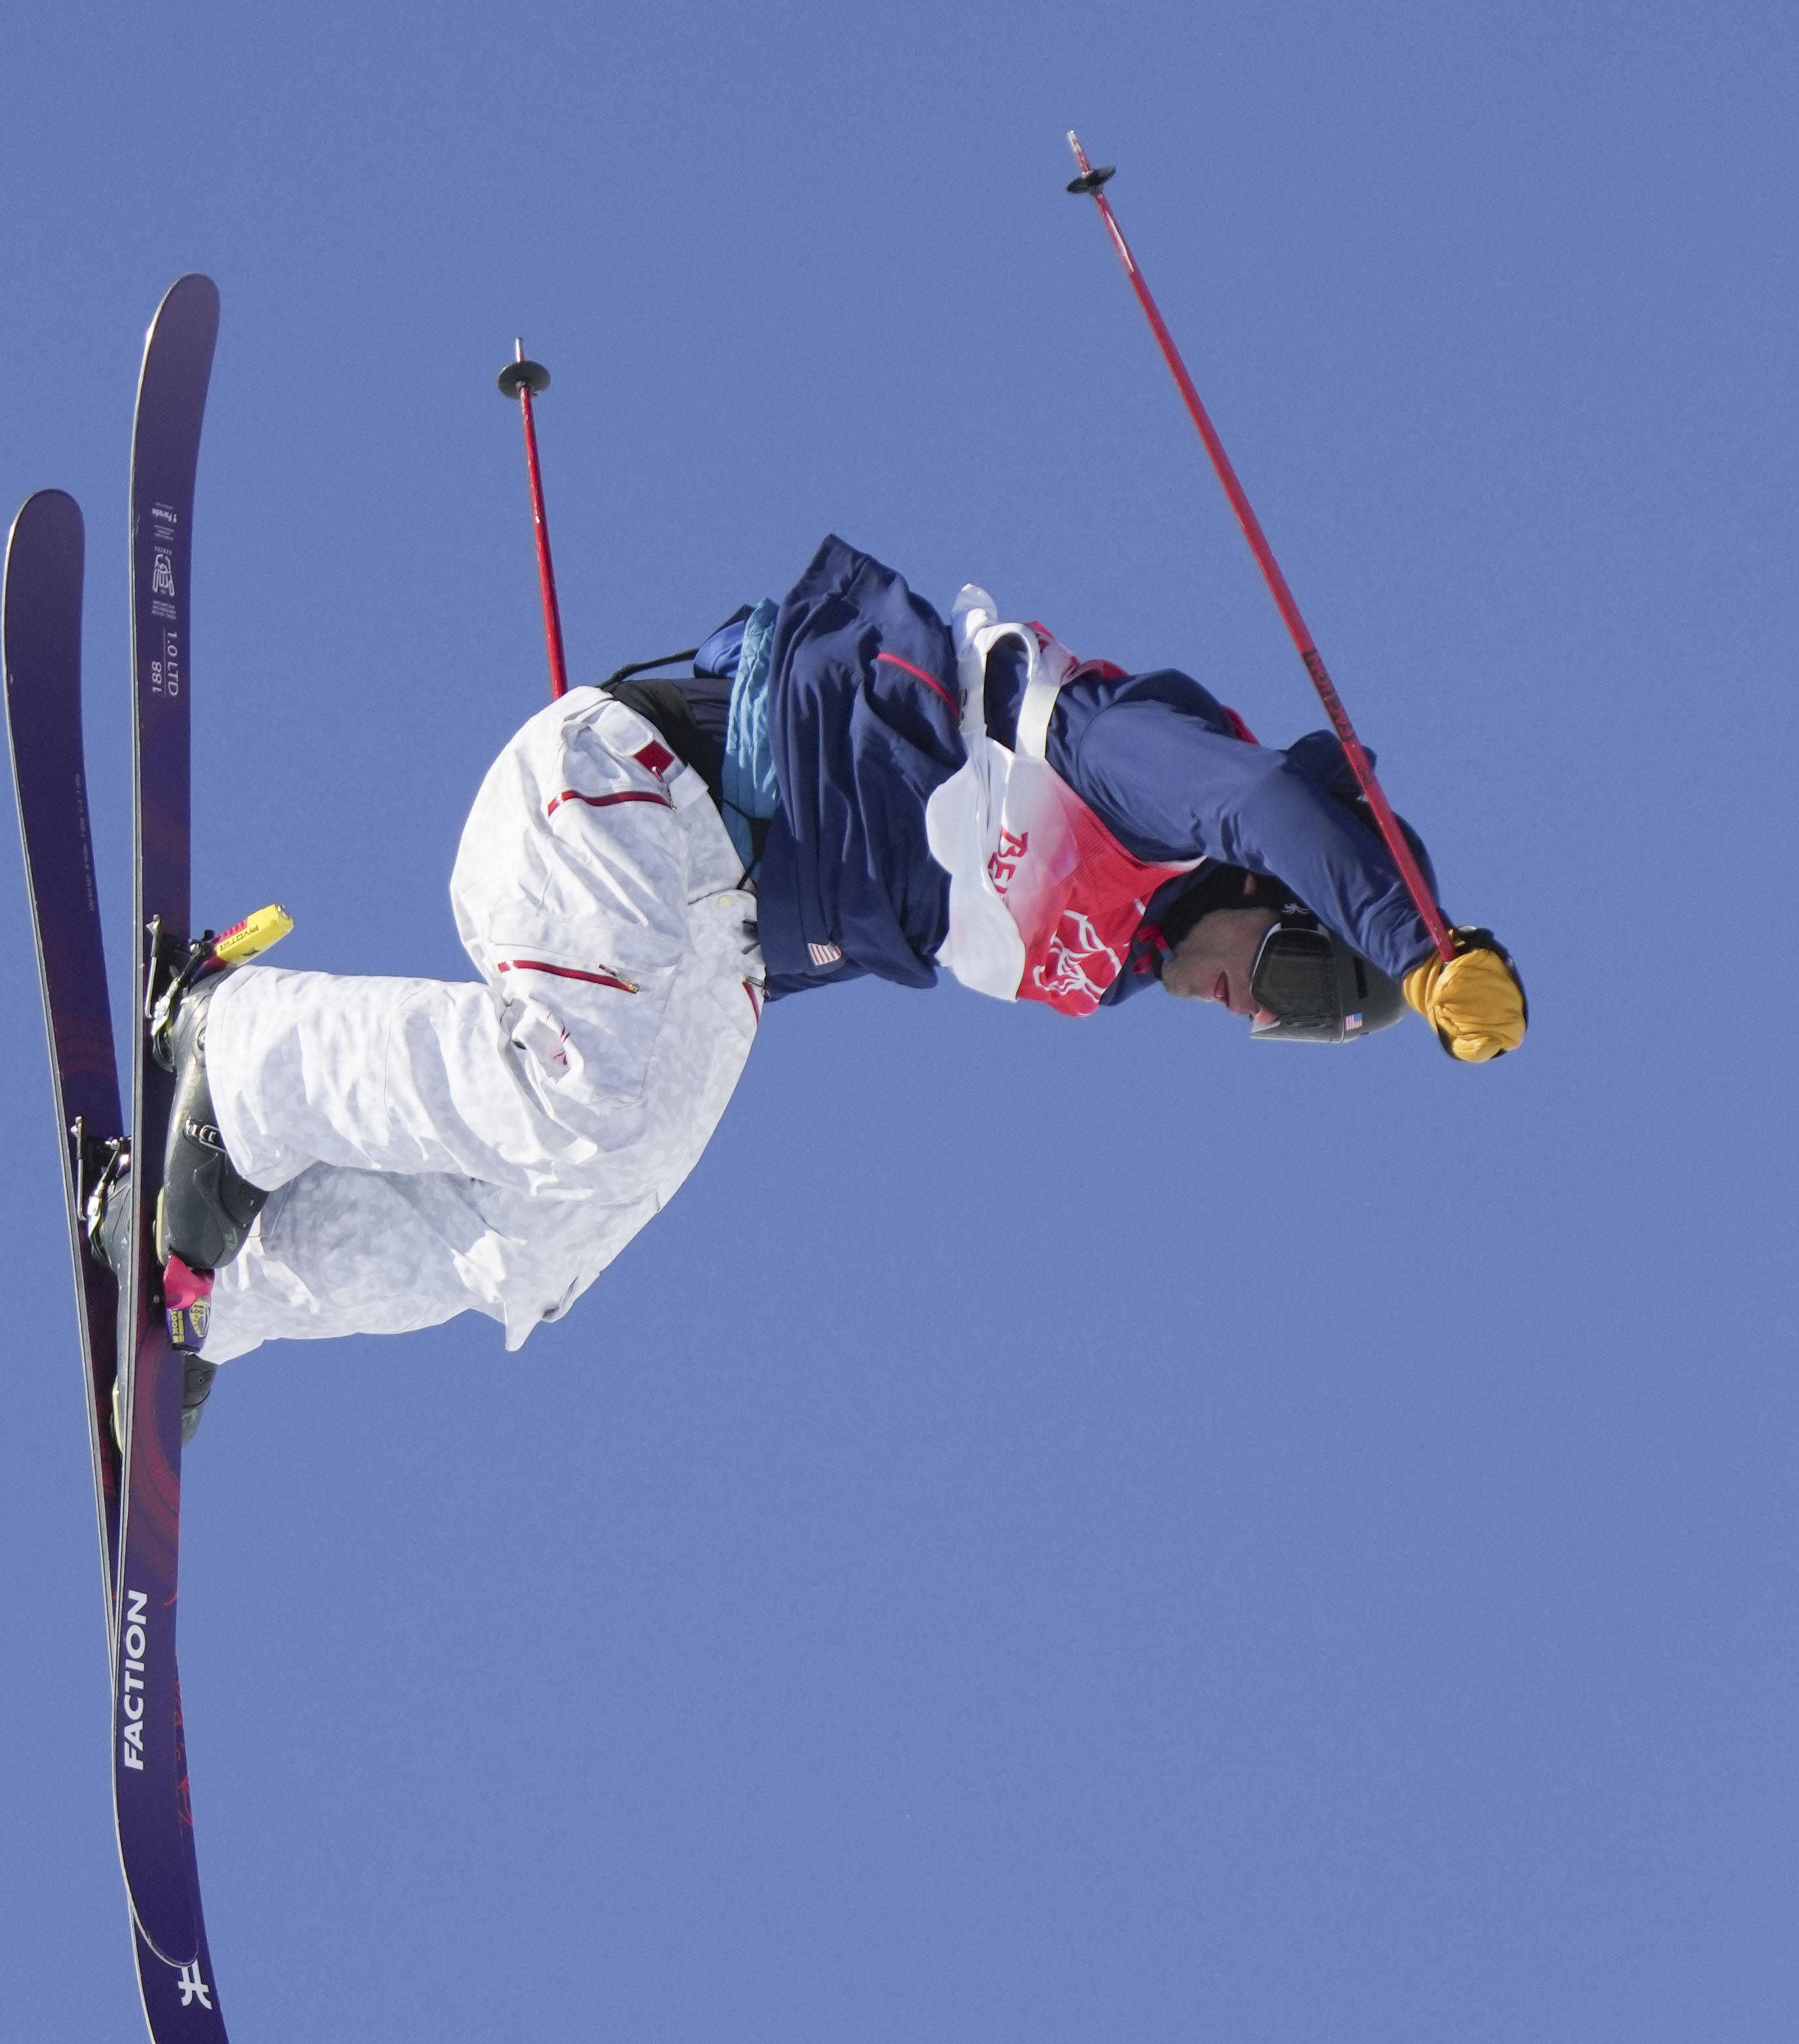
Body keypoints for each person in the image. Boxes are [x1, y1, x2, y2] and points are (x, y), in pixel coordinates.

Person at [104, 537, 1527, 1426]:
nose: (1246, 1016)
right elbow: (1274, 798)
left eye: (1284, 1031)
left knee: (555, 1239)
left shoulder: (1115, 955)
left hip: (702, 936)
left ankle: (208, 1291)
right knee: (587, 1101)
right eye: (1281, 979)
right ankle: (239, 1054)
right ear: (1266, 901)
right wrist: (1419, 950)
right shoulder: (1123, 762)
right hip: (631, 794)